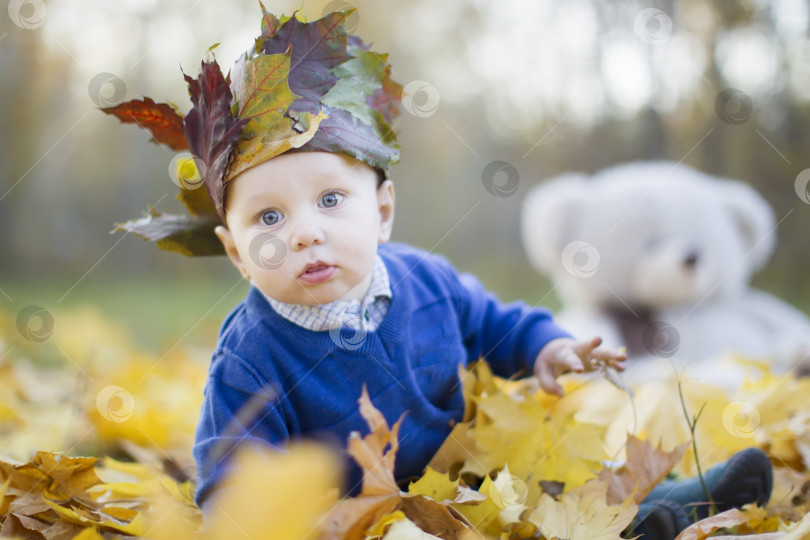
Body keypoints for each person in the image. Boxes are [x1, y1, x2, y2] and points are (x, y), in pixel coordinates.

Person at [102, 7, 772, 539]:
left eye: (331, 201)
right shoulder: (251, 355)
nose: (304, 230)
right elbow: (230, 466)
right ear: (239, 252)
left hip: (472, 475)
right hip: (363, 518)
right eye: (268, 219)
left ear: (382, 211)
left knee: (547, 464)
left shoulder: (427, 281)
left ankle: (663, 505)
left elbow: (495, 325)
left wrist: (546, 347)